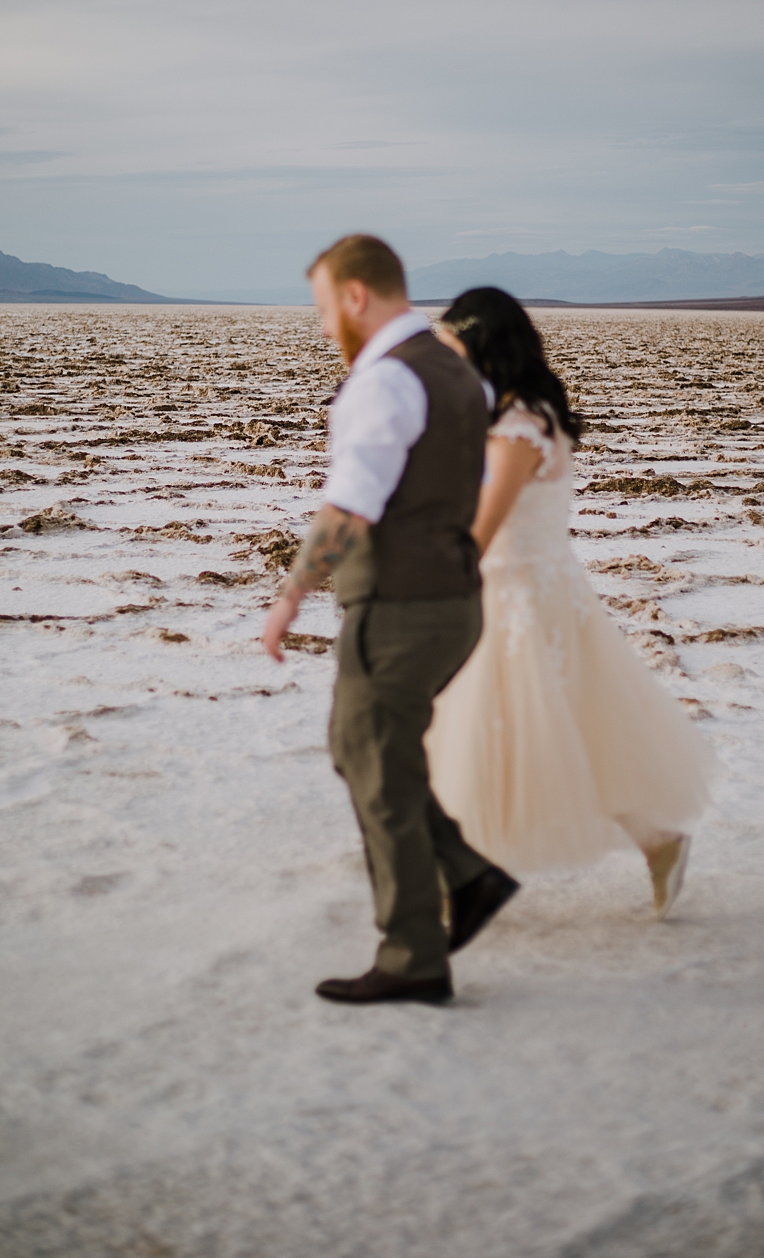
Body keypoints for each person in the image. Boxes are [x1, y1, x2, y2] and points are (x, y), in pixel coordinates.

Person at [263, 237, 519, 1005]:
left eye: (319, 308)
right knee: (369, 751)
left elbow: (349, 504)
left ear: (353, 296)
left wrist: (290, 594)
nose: (319, 327)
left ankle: (413, 957)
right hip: (453, 601)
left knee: (374, 767)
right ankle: (468, 878)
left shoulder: (382, 382)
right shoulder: (459, 376)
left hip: (402, 607)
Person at [426, 288, 716, 918]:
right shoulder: (528, 416)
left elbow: (482, 526)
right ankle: (657, 843)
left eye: (451, 349)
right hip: (545, 590)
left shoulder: (517, 428)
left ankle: (456, 881)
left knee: (490, 735)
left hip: (515, 601)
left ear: (481, 347)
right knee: (573, 737)